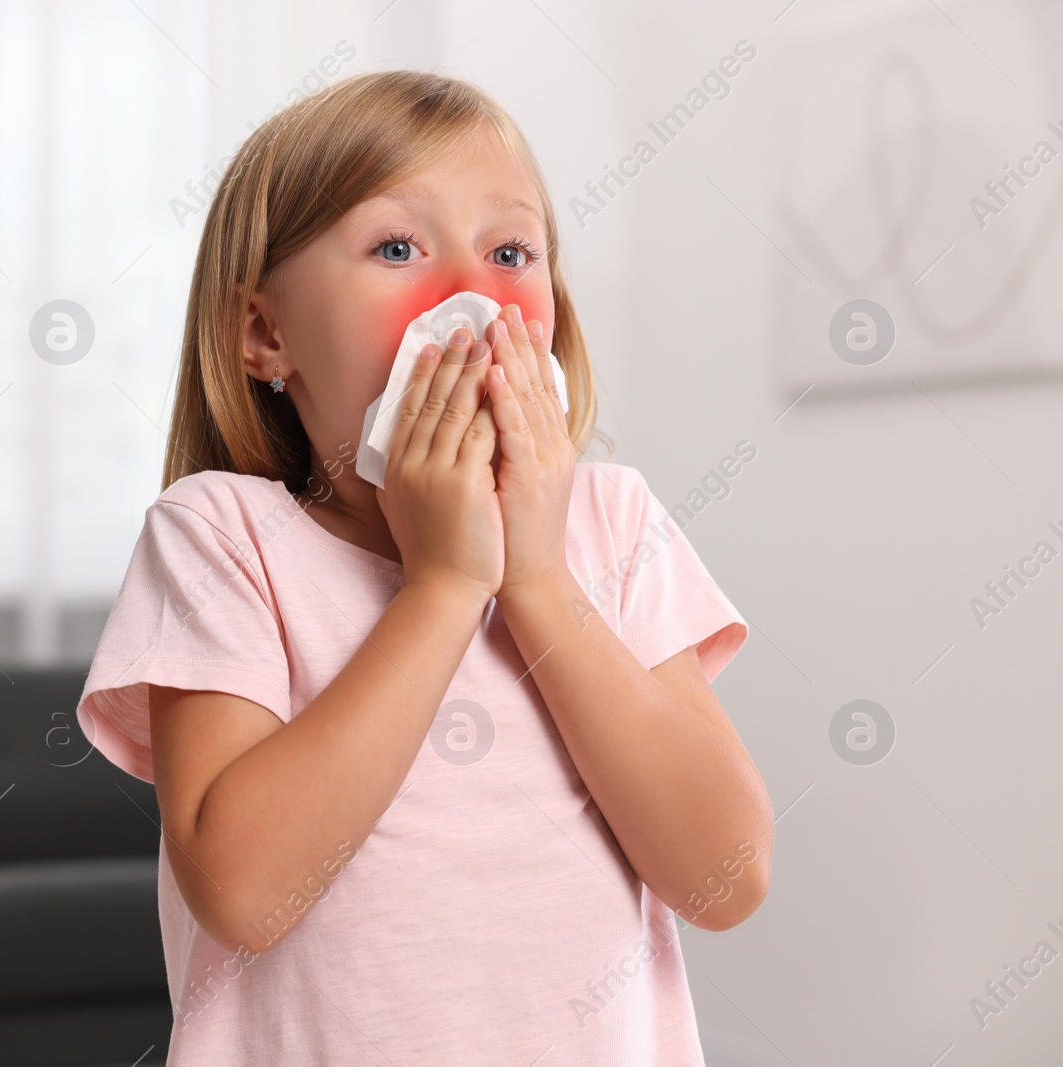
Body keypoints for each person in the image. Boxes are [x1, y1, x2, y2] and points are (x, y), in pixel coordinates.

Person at [76, 69, 771, 1065]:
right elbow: (241, 892)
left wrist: (533, 578)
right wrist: (444, 586)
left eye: (511, 251)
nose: (471, 296)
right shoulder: (222, 537)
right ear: (267, 334)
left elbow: (724, 876)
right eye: (397, 247)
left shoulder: (613, 526)